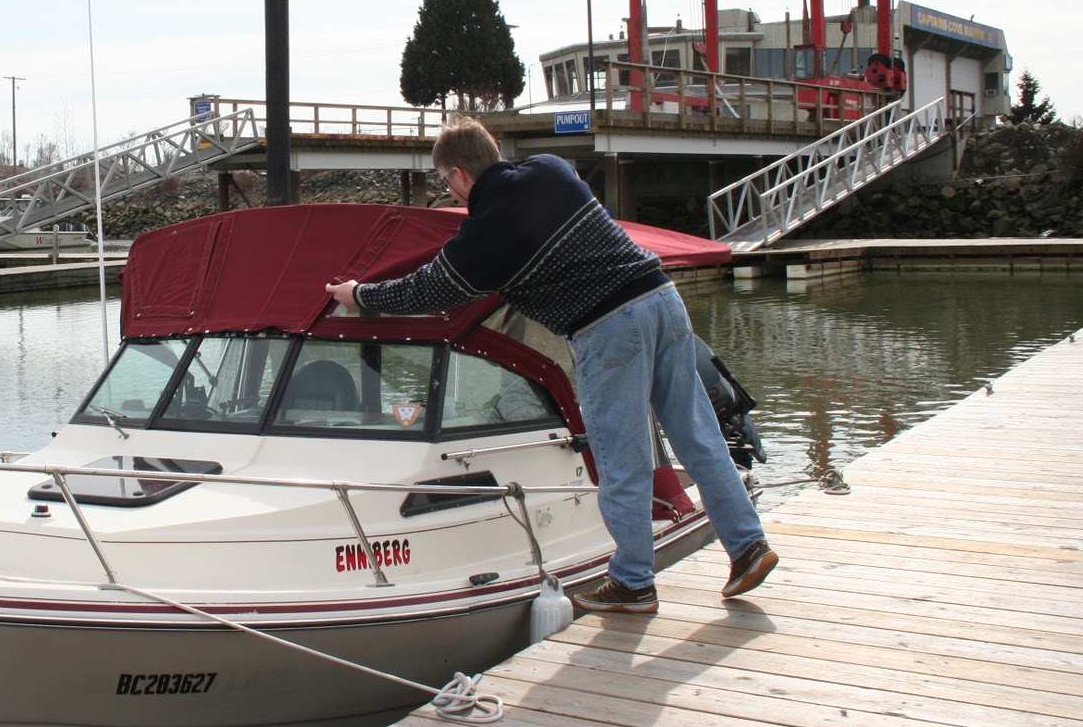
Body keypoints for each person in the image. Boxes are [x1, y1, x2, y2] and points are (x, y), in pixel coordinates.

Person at [325, 117, 776, 613]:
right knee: (698, 434)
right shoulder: (552, 168)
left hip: (609, 326)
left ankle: (633, 583)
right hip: (663, 300)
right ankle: (748, 546)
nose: (448, 190)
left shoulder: (486, 231)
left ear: (458, 176)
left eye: (445, 181)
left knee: (619, 458)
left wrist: (360, 295)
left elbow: (430, 288)